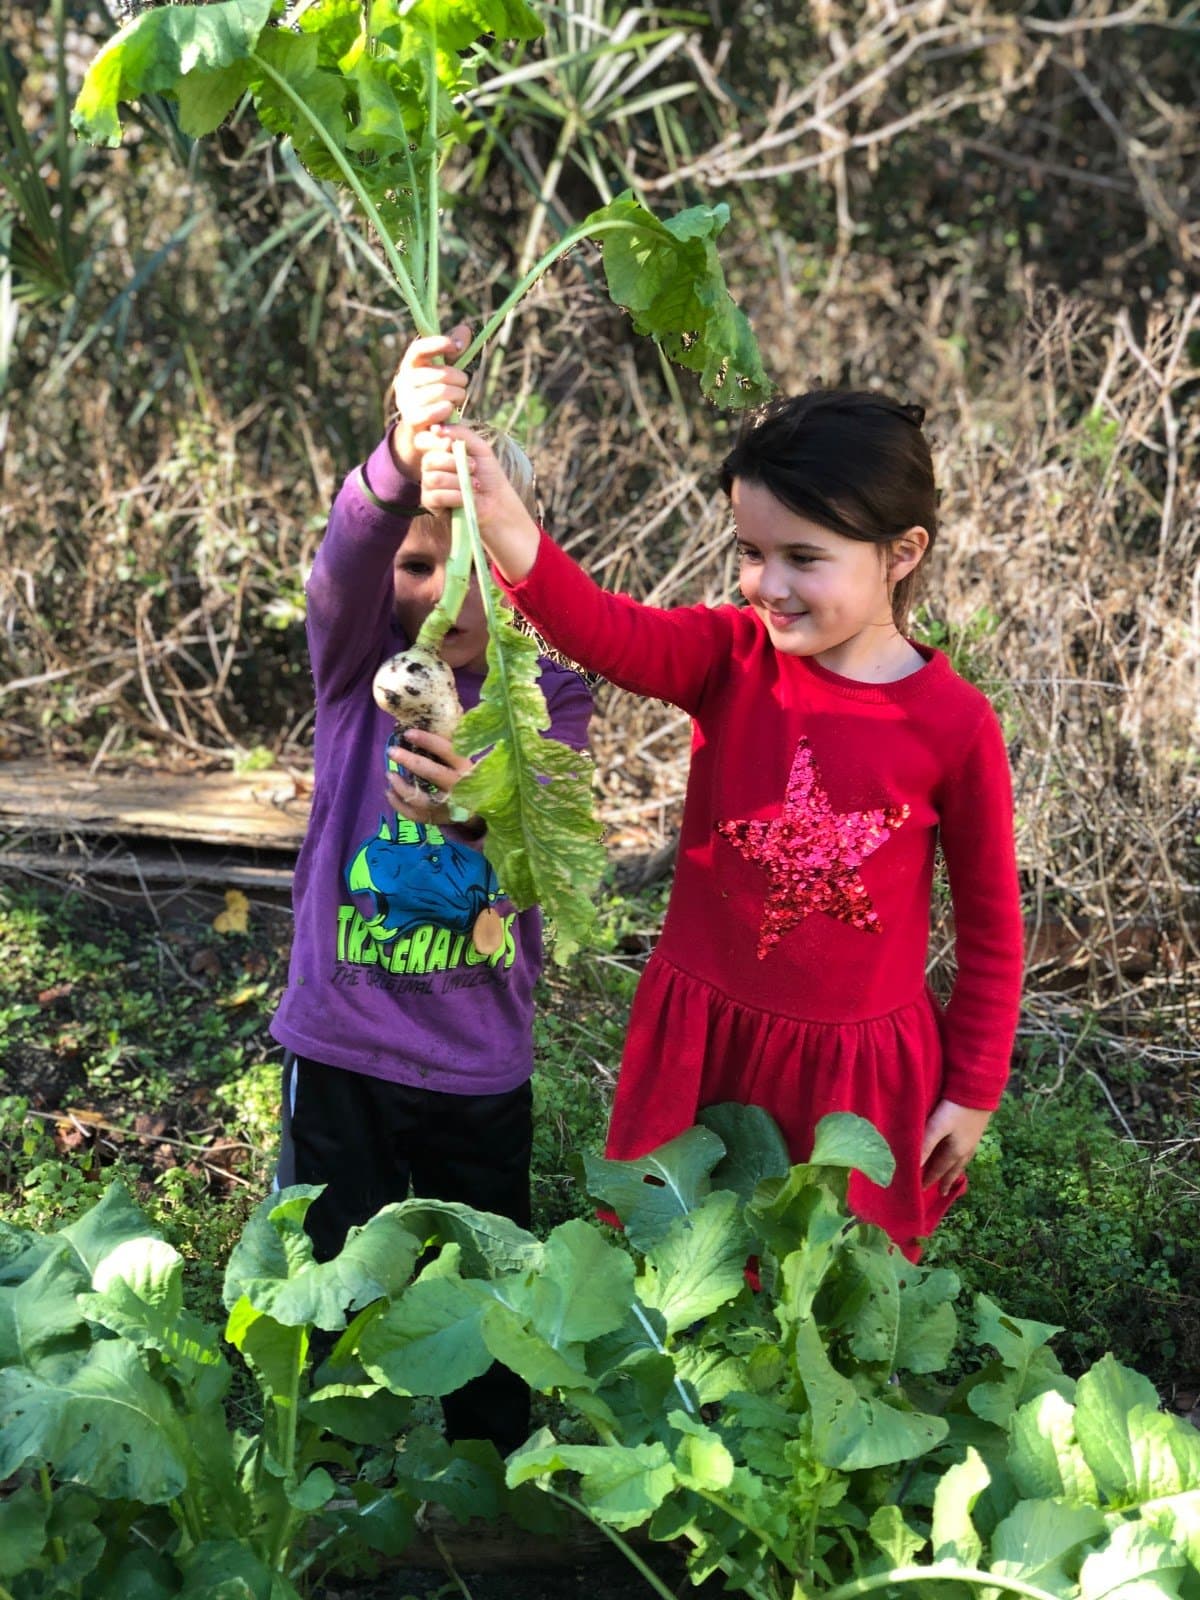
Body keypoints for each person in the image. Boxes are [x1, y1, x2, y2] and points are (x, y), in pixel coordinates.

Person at [416, 369, 1024, 1260]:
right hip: (706, 1042)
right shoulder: (730, 657)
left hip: (854, 1076)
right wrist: (504, 520)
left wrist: (970, 1092)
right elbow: (600, 628)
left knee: (828, 1300)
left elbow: (992, 932)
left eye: (803, 558)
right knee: (677, 1278)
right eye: (750, 550)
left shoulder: (954, 724)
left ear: (902, 553)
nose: (766, 585)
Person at [271, 328, 594, 1451]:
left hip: (477, 1053)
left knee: (483, 1277)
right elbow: (342, 567)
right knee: (325, 1271)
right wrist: (399, 459)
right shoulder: (357, 669)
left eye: (469, 562)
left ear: (512, 565)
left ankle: (484, 1475)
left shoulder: (544, 687)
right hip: (346, 1039)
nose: (443, 590)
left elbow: (541, 847)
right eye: (419, 563)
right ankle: (319, 1458)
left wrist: (483, 802)